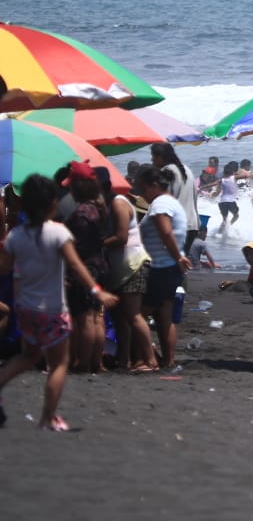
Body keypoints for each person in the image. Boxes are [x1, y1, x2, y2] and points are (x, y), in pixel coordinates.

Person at [0, 174, 119, 430]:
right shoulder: (58, 232)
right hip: (52, 309)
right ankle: (47, 418)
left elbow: (4, 269)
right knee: (59, 364)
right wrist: (98, 291)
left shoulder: (16, 236)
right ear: (51, 205)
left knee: (28, 356)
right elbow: (76, 265)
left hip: (25, 309)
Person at [135, 167, 194, 372]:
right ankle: (168, 361)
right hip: (169, 268)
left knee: (137, 316)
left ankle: (150, 360)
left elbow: (166, 232)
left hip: (161, 267)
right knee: (164, 317)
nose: (142, 193)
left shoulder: (160, 204)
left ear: (154, 185)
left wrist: (178, 257)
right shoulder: (170, 202)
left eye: (143, 188)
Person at [97, 166, 155, 372]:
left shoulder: (118, 203)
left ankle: (150, 360)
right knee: (119, 318)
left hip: (133, 265)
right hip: (120, 269)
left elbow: (121, 237)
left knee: (133, 315)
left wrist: (99, 243)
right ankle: (124, 360)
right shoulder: (105, 204)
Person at [62, 160, 112, 373]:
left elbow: (78, 247)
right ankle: (95, 362)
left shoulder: (82, 213)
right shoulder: (98, 208)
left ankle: (83, 362)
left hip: (86, 268)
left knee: (84, 318)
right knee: (96, 317)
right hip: (100, 266)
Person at [149, 143, 199, 253]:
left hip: (177, 226)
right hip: (192, 225)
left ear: (160, 157)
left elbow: (162, 201)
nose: (151, 159)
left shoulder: (166, 172)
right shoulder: (186, 169)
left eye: (153, 156)